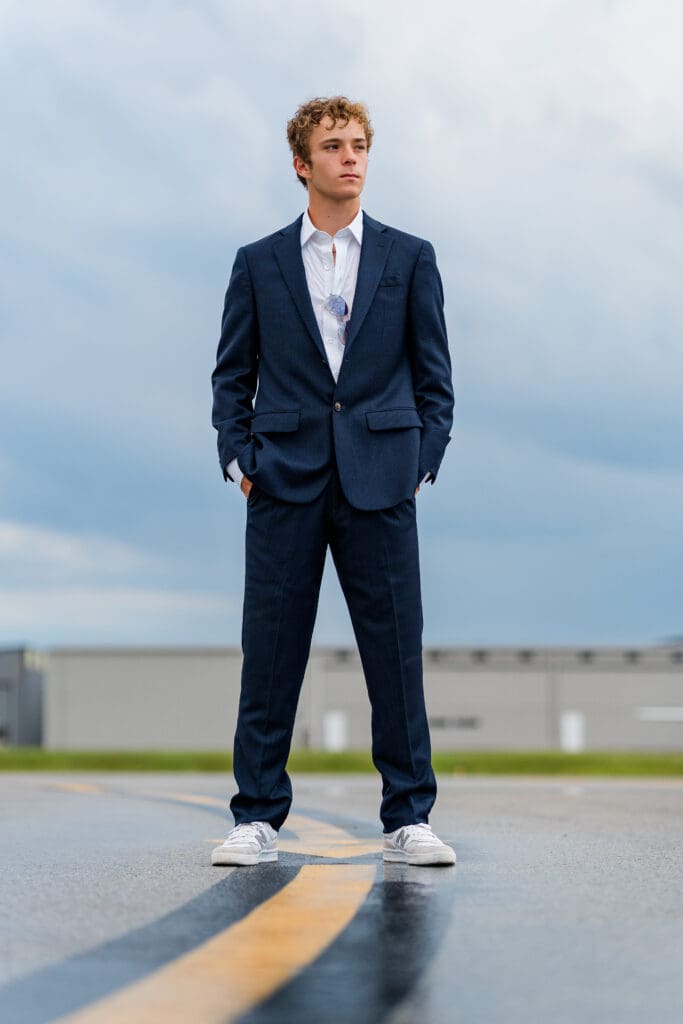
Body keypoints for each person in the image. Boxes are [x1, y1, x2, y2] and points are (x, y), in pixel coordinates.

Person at [210, 96, 455, 867]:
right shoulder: (258, 262)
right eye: (332, 146)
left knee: (394, 657)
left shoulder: (409, 256)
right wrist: (238, 458)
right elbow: (231, 377)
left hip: (383, 480)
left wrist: (420, 460)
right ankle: (255, 817)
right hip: (282, 478)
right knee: (271, 652)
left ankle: (409, 817)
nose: (349, 157)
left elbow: (435, 379)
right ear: (301, 164)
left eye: (357, 145)